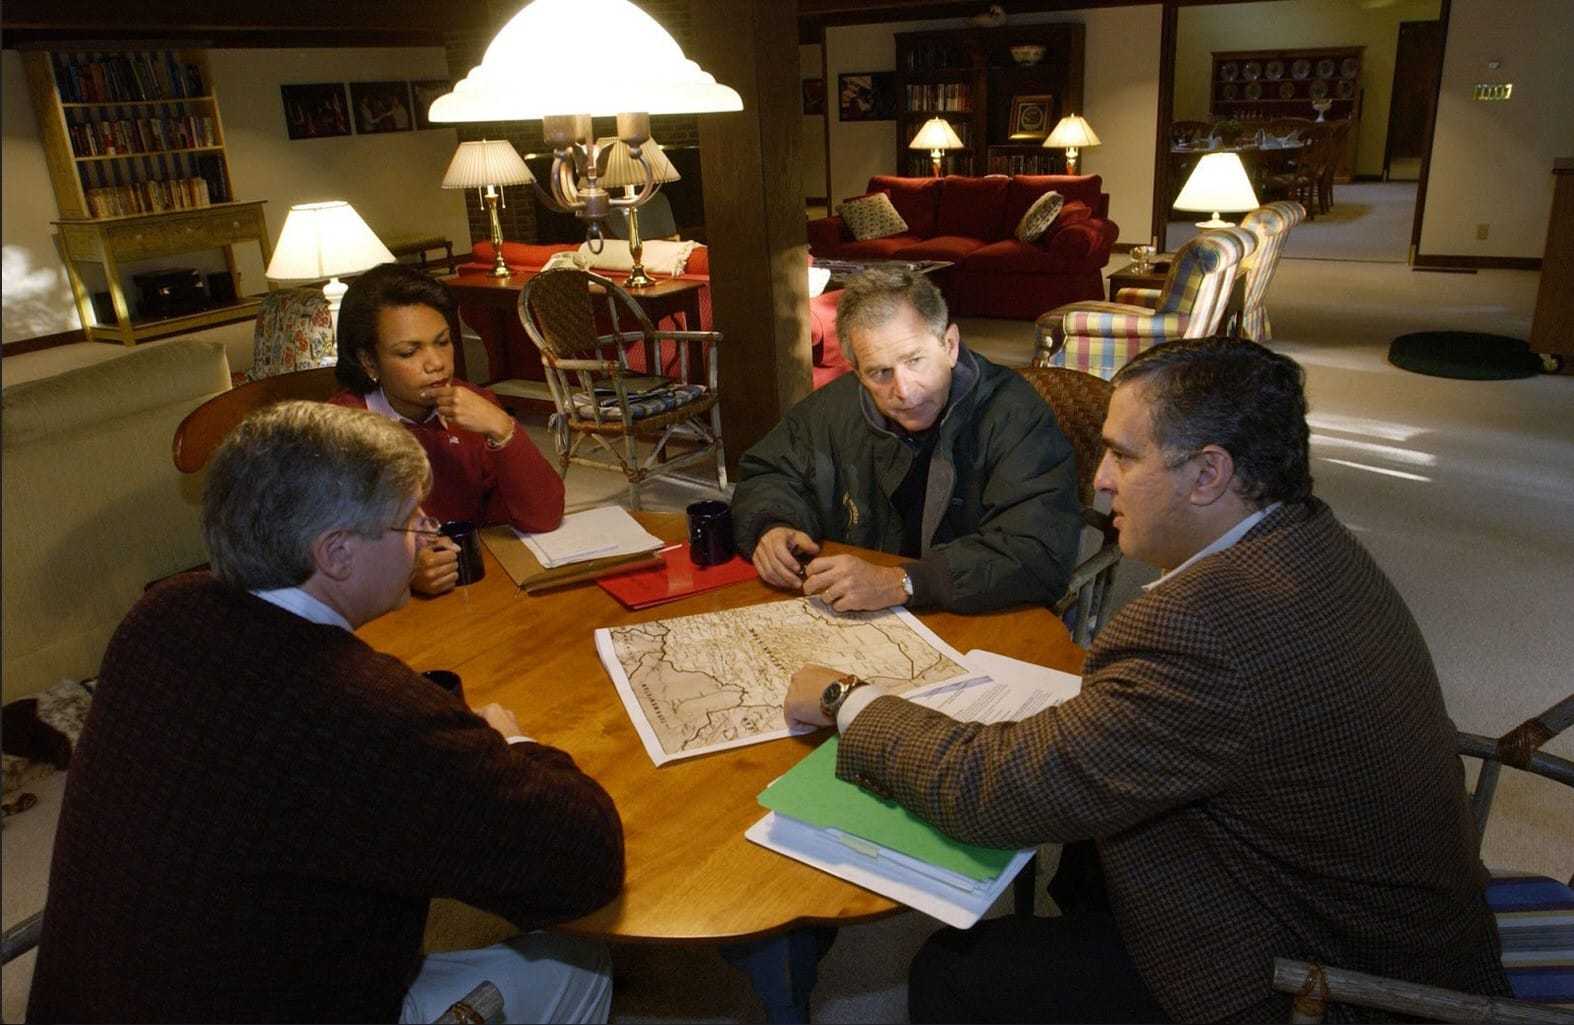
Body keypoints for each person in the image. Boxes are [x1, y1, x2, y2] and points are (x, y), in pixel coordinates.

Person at [783, 337, 1511, 1022]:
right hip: (1381, 903)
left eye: (1122, 457)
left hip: (1332, 979)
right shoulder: (1308, 534)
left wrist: (850, 698)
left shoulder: (1206, 629)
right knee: (1084, 858)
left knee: (957, 969)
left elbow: (992, 791)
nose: (1098, 481)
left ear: (1208, 474)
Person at [26, 402, 623, 1024]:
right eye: (409, 519)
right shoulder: (368, 717)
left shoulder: (160, 616)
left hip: (104, 996)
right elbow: (583, 862)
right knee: (573, 967)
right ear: (336, 553)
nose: (427, 529)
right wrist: (514, 746)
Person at [731, 268, 1080, 615]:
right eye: (879, 372)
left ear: (950, 345)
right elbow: (769, 472)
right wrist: (772, 524)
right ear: (855, 370)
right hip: (866, 615)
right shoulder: (833, 407)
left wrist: (903, 582)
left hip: (979, 615)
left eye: (915, 361)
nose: (904, 390)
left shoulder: (1015, 414)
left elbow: (1039, 550)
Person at [332, 262, 564, 595]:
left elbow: (542, 516)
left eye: (442, 342)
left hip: (483, 589)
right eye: (410, 351)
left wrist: (502, 427)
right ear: (369, 362)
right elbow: (324, 554)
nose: (436, 363)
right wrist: (403, 570)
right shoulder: (341, 430)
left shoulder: (474, 404)